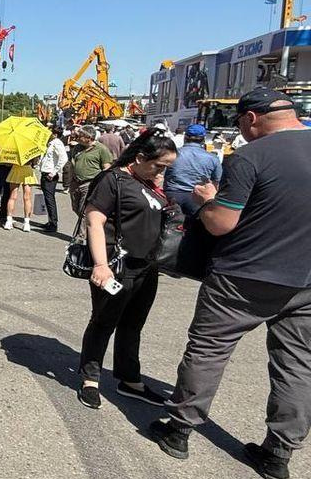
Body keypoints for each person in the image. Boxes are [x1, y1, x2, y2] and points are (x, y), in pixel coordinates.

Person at [149, 89, 311, 478]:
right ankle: (278, 454)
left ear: (252, 118)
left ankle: (180, 429)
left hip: (242, 277)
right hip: (305, 281)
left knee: (208, 350)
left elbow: (222, 222)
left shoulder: (251, 157)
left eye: (240, 122)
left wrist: (208, 199)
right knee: (297, 366)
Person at [78, 128, 178, 410]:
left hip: (146, 267)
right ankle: (90, 379)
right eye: (159, 165)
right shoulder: (113, 180)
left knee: (133, 324)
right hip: (116, 265)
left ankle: (129, 379)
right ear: (141, 157)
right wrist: (100, 265)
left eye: (167, 168)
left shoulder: (148, 183)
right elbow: (94, 222)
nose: (162, 172)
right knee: (103, 321)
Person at [162, 124, 221, 217]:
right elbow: (216, 182)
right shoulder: (213, 158)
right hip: (197, 197)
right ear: (203, 139)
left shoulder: (173, 154)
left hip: (172, 195)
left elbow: (160, 174)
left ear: (185, 137)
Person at [68, 126, 113, 215]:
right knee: (76, 208)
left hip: (89, 184)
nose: (77, 138)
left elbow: (106, 169)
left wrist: (101, 186)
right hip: (75, 183)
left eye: (79, 136)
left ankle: (85, 228)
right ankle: (87, 227)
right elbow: (72, 163)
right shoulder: (77, 147)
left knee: (84, 211)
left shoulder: (101, 149)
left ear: (88, 138)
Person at [38, 127, 69, 232]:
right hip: (46, 172)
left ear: (55, 134)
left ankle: (53, 223)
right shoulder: (51, 143)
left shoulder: (57, 143)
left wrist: (54, 172)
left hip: (50, 174)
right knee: (47, 198)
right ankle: (50, 221)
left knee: (50, 199)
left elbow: (63, 158)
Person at [3, 158, 39, 232]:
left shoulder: (14, 147)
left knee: (12, 197)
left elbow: (9, 162)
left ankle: (9, 220)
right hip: (27, 170)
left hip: (16, 169)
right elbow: (35, 163)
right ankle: (27, 223)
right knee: (27, 198)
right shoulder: (31, 147)